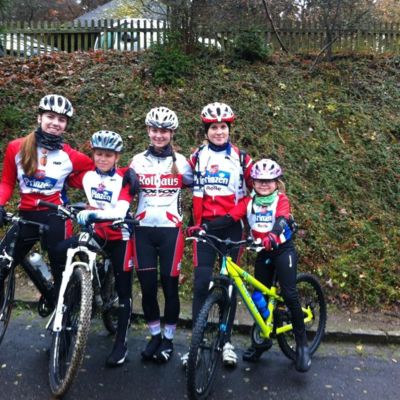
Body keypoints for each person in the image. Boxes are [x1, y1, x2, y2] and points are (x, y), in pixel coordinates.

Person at [193, 158, 311, 372]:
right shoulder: (249, 202)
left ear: (276, 182)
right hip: (262, 252)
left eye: (269, 181)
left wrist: (273, 235)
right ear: (253, 183)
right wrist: (205, 227)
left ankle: (302, 345)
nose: (264, 184)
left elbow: (282, 220)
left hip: (282, 250)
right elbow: (229, 218)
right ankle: (262, 341)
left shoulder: (281, 199)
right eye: (259, 181)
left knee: (289, 294)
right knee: (258, 297)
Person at [0, 94, 93, 304]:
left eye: (61, 119)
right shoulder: (16, 147)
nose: (55, 123)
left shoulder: (70, 155)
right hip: (26, 216)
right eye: (50, 116)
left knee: (62, 273)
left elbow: (96, 171)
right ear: (39, 118)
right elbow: (6, 183)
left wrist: (71, 180)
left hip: (56, 217)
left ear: (66, 125)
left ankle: (63, 311)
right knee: (2, 264)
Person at [55, 130, 137, 367]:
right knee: (61, 250)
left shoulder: (125, 177)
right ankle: (77, 296)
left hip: (120, 236)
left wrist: (93, 214)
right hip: (97, 233)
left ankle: (121, 343)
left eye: (108, 155)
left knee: (124, 290)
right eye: (99, 154)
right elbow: (60, 176)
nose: (102, 159)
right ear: (93, 154)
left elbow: (120, 211)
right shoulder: (87, 176)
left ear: (117, 157)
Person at [184, 102, 253, 368]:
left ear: (229, 129)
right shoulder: (197, 157)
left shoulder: (242, 158)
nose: (219, 132)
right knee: (201, 283)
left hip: (232, 228)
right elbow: (179, 179)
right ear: (206, 131)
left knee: (229, 285)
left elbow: (254, 192)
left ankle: (225, 341)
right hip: (205, 229)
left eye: (223, 127)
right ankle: (196, 343)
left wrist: (233, 216)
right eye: (214, 127)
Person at [128, 106, 193, 363]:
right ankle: (155, 335)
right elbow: (122, 189)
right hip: (142, 230)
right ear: (148, 130)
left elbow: (199, 186)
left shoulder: (182, 162)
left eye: (164, 131)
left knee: (170, 287)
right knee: (147, 288)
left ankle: (168, 339)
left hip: (170, 232)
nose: (159, 135)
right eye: (155, 130)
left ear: (172, 133)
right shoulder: (136, 161)